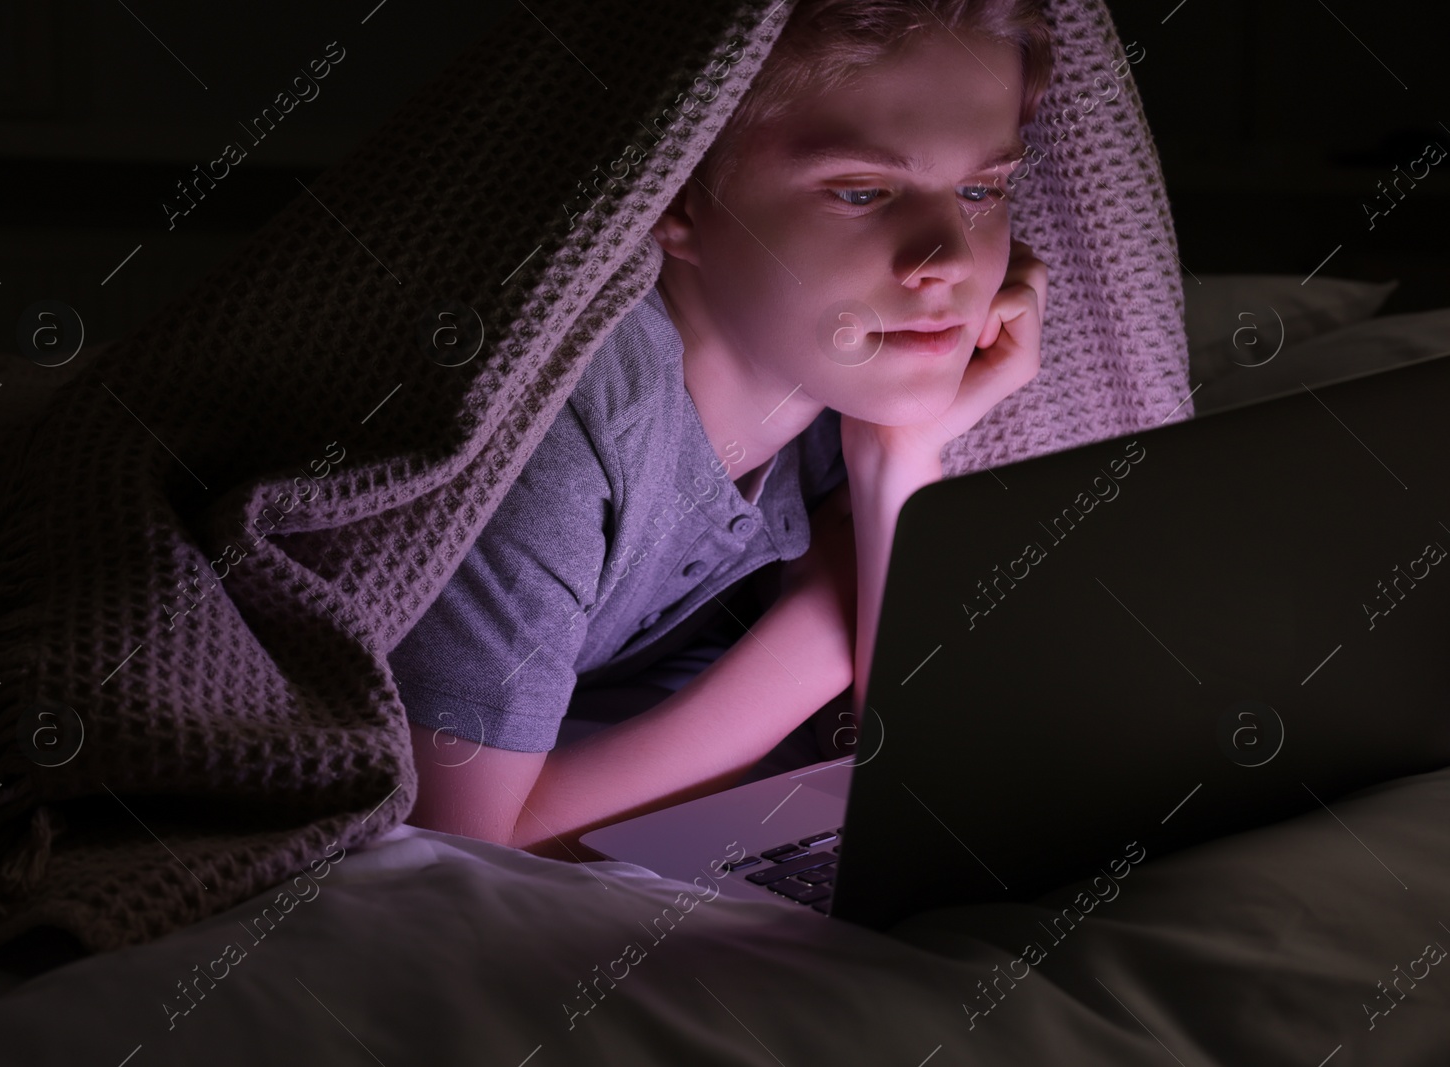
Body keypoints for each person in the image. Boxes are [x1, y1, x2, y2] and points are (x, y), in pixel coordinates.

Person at [396, 0, 1054, 858]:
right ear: (674, 195)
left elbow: (924, 778)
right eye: (860, 190)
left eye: (980, 190)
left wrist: (899, 460)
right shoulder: (551, 427)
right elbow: (462, 844)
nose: (952, 262)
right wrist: (831, 613)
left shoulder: (848, 382)